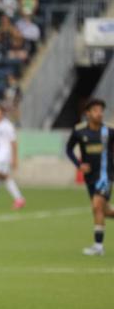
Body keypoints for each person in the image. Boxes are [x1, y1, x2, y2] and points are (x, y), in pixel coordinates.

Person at [66, 99, 114, 256]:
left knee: (96, 207)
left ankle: (98, 247)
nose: (99, 113)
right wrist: (78, 164)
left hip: (106, 176)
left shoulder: (109, 131)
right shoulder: (79, 131)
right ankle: (98, 246)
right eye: (95, 110)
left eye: (101, 110)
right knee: (105, 210)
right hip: (90, 178)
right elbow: (68, 149)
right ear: (88, 113)